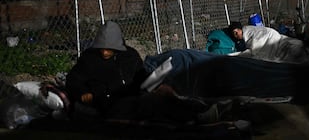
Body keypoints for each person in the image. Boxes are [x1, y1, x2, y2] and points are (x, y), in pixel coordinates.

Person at [65, 21, 215, 123]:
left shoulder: (130, 55)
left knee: (167, 97)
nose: (104, 52)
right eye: (102, 48)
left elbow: (141, 77)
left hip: (134, 95)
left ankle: (203, 109)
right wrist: (83, 93)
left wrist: (157, 84)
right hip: (110, 103)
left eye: (109, 49)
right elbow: (73, 80)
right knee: (154, 104)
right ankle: (197, 116)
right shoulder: (89, 59)